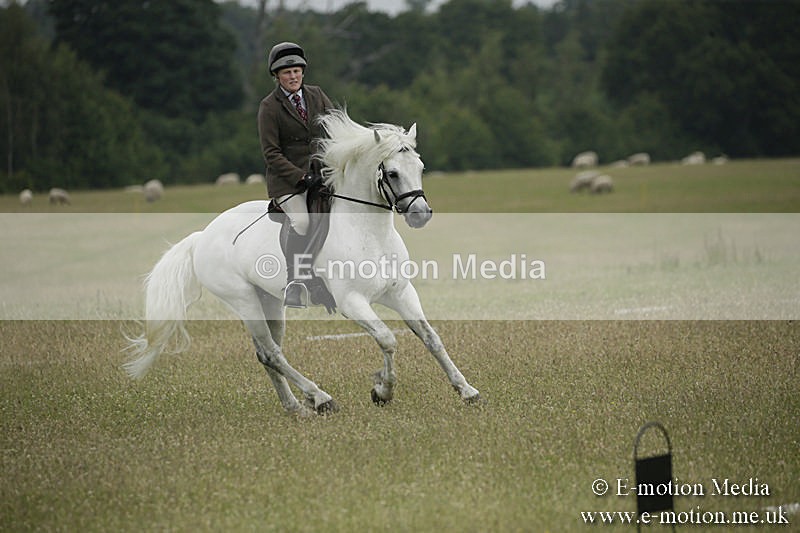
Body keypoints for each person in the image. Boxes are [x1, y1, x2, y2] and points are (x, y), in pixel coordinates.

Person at [258, 42, 334, 307]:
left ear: (303, 72)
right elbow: (271, 153)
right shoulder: (269, 107)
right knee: (302, 222)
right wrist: (301, 177)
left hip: (322, 173)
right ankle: (296, 280)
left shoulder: (316, 95)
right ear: (276, 76)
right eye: (286, 72)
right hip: (287, 181)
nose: (293, 76)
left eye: (297, 71)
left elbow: (335, 128)